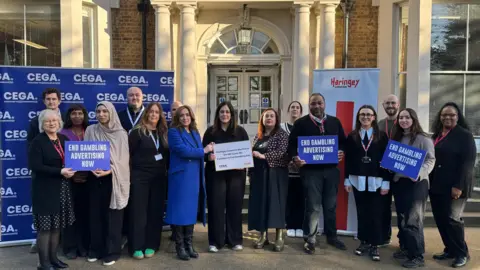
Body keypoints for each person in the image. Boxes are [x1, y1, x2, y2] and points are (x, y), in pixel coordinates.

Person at [288, 93, 347, 254]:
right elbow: (292, 144)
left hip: (331, 170)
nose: (317, 106)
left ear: (324, 104)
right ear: (309, 105)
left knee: (330, 206)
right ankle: (310, 239)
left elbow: (342, 141)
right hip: (310, 171)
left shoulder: (335, 122)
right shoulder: (301, 123)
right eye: (313, 103)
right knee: (313, 207)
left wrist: (341, 151)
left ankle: (332, 236)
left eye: (319, 103)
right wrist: (295, 158)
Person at [430, 102, 476, 268]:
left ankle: (462, 253)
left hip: (456, 187)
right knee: (441, 219)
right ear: (440, 117)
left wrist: (459, 186)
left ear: (458, 117)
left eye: (452, 115)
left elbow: (468, 164)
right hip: (437, 186)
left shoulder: (464, 135)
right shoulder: (436, 135)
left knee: (453, 219)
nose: (447, 117)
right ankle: (449, 249)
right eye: (444, 115)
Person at [29, 109, 76, 269]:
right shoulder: (38, 141)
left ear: (59, 122)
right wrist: (59, 172)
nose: (51, 123)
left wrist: (71, 170)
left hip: (62, 189)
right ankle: (44, 263)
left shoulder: (62, 139)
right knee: (45, 229)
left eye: (54, 121)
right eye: (48, 121)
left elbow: (68, 160)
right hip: (44, 190)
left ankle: (54, 259)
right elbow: (35, 166)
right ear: (42, 123)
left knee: (57, 227)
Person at [85, 101, 130, 266]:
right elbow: (86, 152)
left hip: (113, 179)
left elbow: (124, 160)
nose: (101, 114)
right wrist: (89, 166)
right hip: (94, 179)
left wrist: (110, 170)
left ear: (111, 113)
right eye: (98, 111)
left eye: (105, 111)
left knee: (113, 217)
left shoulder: (120, 133)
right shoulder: (91, 130)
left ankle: (113, 251)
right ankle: (96, 249)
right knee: (95, 216)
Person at [344, 105, 390, 261]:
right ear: (358, 117)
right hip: (358, 181)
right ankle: (363, 241)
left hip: (377, 181)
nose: (365, 117)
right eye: (362, 114)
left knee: (375, 214)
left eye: (369, 114)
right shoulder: (352, 136)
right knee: (362, 212)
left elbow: (387, 161)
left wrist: (386, 182)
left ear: (374, 117)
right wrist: (347, 179)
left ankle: (374, 245)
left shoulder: (382, 136)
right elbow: (348, 160)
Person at [391, 108, 435, 268]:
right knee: (402, 218)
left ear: (413, 119)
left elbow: (431, 160)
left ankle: (417, 256)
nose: (403, 120)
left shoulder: (424, 139)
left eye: (407, 117)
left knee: (414, 220)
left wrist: (420, 173)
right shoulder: (397, 137)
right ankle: (405, 248)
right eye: (401, 117)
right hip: (400, 183)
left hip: (417, 184)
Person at [166, 105, 212, 261]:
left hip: (194, 177)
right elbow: (183, 150)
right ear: (177, 118)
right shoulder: (173, 132)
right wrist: (204, 151)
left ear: (191, 117)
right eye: (181, 115)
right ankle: (180, 246)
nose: (185, 118)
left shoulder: (195, 132)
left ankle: (189, 244)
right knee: (180, 212)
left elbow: (199, 153)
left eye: (187, 115)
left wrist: (207, 157)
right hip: (180, 178)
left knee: (191, 211)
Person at [202, 101, 249, 253]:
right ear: (218, 114)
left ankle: (234, 240)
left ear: (232, 114)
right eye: (222, 112)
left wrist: (244, 163)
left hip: (236, 176)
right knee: (216, 207)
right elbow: (203, 154)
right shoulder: (210, 132)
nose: (225, 115)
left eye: (227, 112)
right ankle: (215, 241)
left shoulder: (240, 131)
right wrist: (209, 157)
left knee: (234, 207)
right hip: (215, 176)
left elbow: (246, 154)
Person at [128, 102, 169, 259]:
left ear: (160, 115)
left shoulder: (163, 132)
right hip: (140, 177)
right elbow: (128, 155)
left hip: (159, 178)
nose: (153, 115)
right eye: (151, 112)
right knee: (139, 212)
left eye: (157, 112)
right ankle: (137, 246)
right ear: (146, 114)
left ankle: (152, 244)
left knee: (155, 211)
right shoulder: (137, 132)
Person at [27, 87, 65, 254]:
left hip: (62, 182)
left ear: (59, 101)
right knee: (45, 224)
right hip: (45, 181)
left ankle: (54, 255)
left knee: (56, 223)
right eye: (48, 99)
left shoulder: (64, 129)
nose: (51, 102)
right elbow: (33, 156)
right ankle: (44, 259)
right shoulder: (36, 127)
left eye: (54, 99)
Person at [248, 108, 289, 252]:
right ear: (262, 120)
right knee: (262, 205)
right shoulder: (258, 136)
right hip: (259, 175)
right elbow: (252, 153)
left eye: (272, 116)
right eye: (266, 116)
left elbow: (282, 153)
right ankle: (263, 235)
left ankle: (279, 236)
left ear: (276, 119)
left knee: (276, 204)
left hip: (276, 174)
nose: (269, 118)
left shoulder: (282, 135)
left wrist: (263, 156)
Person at [60, 104, 90, 259]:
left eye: (80, 113)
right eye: (74, 113)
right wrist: (72, 175)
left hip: (89, 179)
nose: (77, 116)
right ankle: (70, 247)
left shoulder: (91, 131)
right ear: (69, 116)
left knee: (86, 215)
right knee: (70, 215)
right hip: (70, 180)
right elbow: (58, 158)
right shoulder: (62, 133)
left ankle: (83, 246)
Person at [377, 94, 400, 246]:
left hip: (400, 172)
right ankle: (385, 236)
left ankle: (404, 241)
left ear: (398, 105)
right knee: (383, 206)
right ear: (383, 106)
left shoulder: (405, 122)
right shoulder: (379, 124)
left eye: (393, 103)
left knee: (402, 208)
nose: (390, 105)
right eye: (387, 103)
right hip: (383, 171)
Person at [281, 101, 304, 239]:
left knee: (301, 199)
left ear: (301, 111)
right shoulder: (282, 128)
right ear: (288, 111)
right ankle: (289, 225)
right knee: (288, 199)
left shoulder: (305, 126)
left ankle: (299, 225)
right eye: (292, 107)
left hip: (302, 170)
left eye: (297, 107)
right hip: (286, 170)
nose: (295, 109)